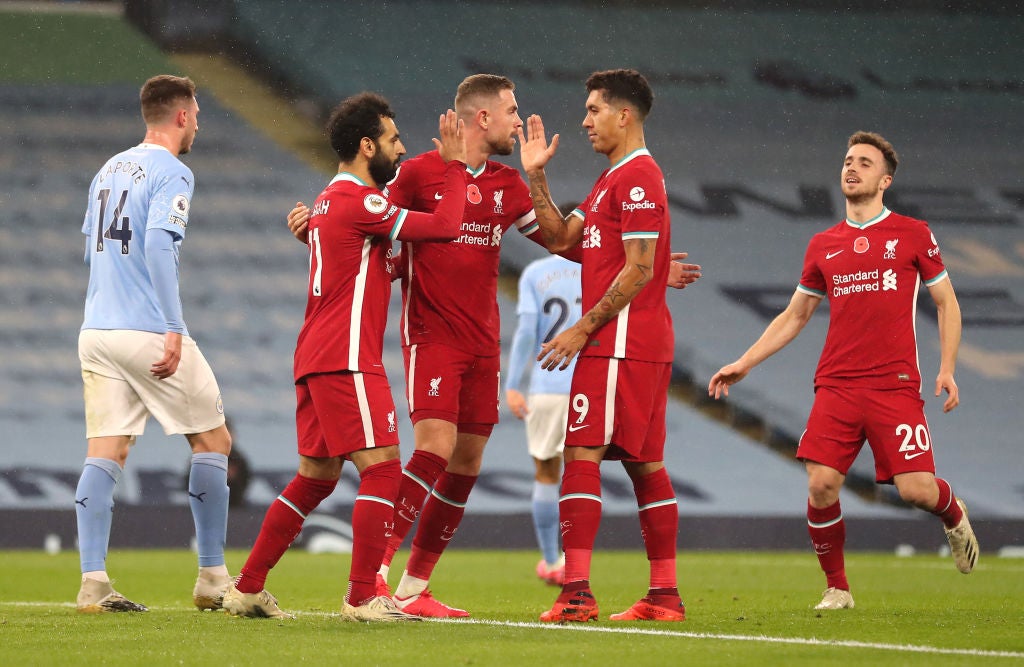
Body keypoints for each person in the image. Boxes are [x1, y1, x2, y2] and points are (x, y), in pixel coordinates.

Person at [286, 75, 699, 618]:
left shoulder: (507, 185)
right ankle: (374, 580)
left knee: (467, 462)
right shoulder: (415, 174)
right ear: (482, 118)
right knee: (432, 448)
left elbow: (562, 242)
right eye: (511, 110)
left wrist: (646, 264)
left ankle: (414, 588)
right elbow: (358, 218)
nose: (518, 119)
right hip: (431, 336)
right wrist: (313, 224)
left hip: (483, 341)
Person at [222, 92, 469, 622]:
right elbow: (448, 226)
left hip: (314, 354)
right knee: (382, 470)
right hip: (348, 356)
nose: (400, 150)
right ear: (366, 145)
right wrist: (453, 169)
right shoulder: (362, 201)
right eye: (393, 139)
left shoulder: (329, 203)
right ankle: (362, 595)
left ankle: (247, 586)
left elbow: (374, 267)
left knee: (315, 477)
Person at [708, 131, 979, 611]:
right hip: (836, 383)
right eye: (848, 160)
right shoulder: (823, 244)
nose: (852, 168)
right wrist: (744, 362)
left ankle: (953, 513)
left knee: (916, 490)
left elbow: (946, 302)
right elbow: (795, 315)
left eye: (865, 163)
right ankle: (838, 588)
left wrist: (948, 368)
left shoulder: (913, 233)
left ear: (885, 179)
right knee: (820, 483)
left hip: (894, 385)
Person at [518, 69, 690, 622]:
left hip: (619, 343)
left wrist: (582, 328)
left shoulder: (638, 178)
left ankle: (576, 594)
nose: (585, 120)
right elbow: (563, 240)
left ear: (625, 115)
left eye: (594, 110)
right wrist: (536, 178)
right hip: (636, 341)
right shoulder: (611, 179)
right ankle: (664, 596)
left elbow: (639, 267)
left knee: (582, 454)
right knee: (645, 465)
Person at [75, 75, 233, 614]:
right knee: (213, 443)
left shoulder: (107, 170)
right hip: (146, 328)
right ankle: (212, 576)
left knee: (107, 449)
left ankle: (93, 582)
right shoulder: (174, 170)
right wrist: (172, 324)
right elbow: (159, 242)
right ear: (183, 116)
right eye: (197, 114)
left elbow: (93, 247)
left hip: (96, 330)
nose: (198, 124)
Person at [504, 250, 582, 586]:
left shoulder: (536, 272)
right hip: (588, 387)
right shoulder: (602, 268)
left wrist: (511, 385)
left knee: (547, 473)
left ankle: (553, 562)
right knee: (583, 474)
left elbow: (526, 330)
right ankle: (580, 564)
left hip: (548, 384)